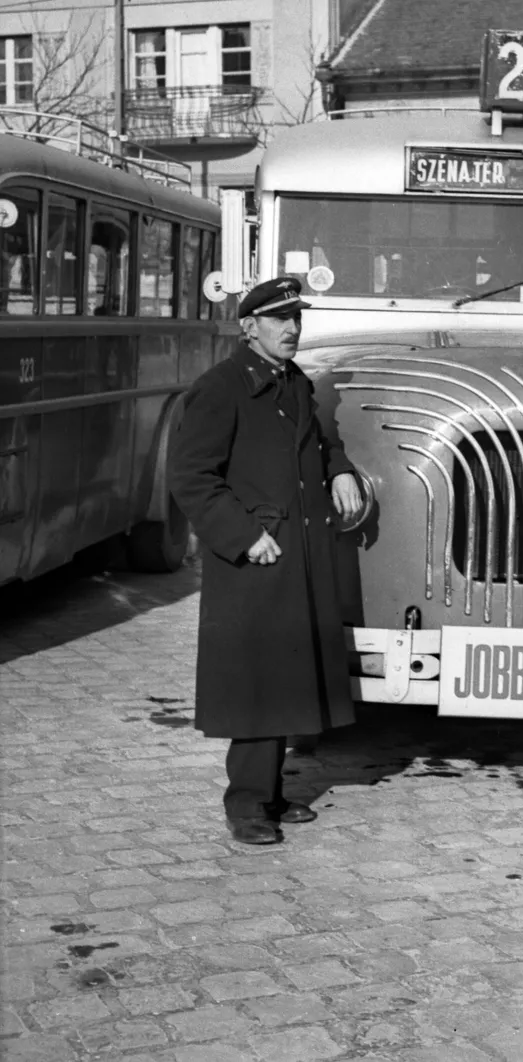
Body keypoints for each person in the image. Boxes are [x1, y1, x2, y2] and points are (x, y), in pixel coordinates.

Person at [169, 277, 366, 846]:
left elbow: (322, 440)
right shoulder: (221, 388)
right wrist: (243, 535)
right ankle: (247, 804)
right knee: (257, 681)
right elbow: (190, 476)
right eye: (280, 320)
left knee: (286, 674)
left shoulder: (293, 382)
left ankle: (273, 793)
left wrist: (341, 468)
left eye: (297, 319)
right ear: (248, 327)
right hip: (256, 556)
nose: (293, 329)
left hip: (296, 552)